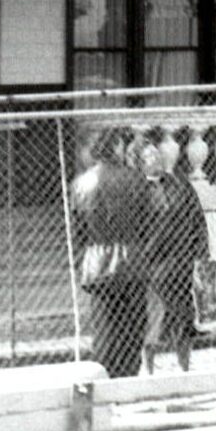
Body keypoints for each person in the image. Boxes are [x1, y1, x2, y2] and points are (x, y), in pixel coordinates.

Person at [70, 127, 150, 378]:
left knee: (105, 327)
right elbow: (146, 222)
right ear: (115, 147)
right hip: (132, 259)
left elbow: (77, 231)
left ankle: (106, 374)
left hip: (97, 260)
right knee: (132, 326)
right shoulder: (135, 179)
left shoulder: (81, 184)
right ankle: (128, 375)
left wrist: (81, 262)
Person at [137, 127, 210, 373]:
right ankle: (149, 369)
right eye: (149, 156)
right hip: (152, 269)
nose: (156, 159)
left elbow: (198, 221)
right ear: (140, 162)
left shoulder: (180, 185)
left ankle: (184, 367)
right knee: (152, 322)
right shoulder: (136, 190)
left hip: (181, 265)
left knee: (183, 320)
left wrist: (202, 255)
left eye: (157, 154)